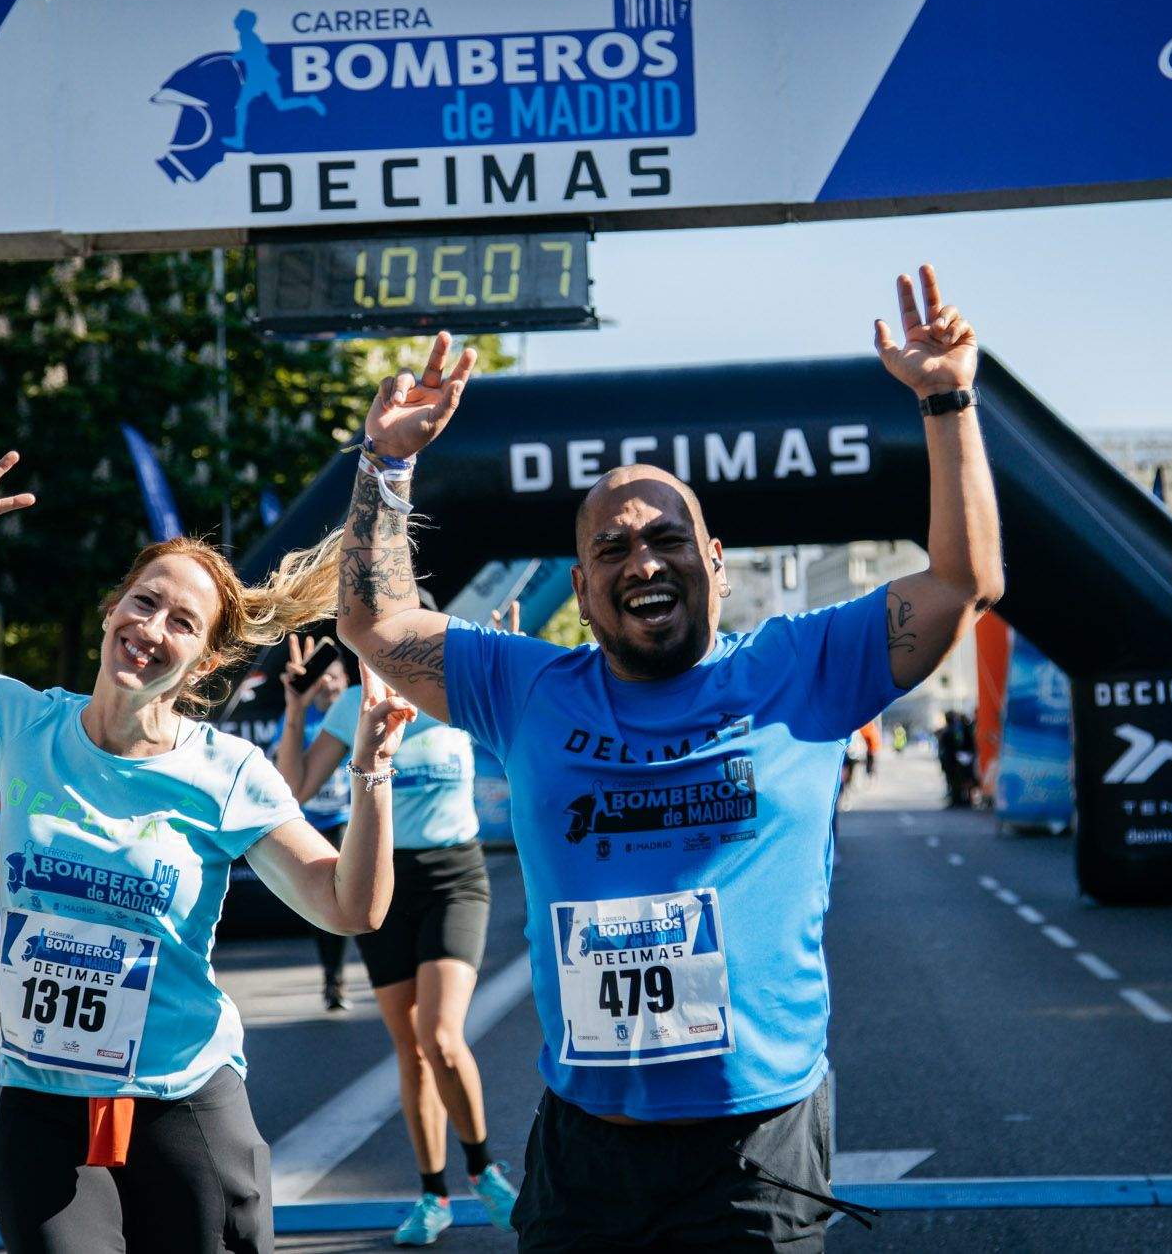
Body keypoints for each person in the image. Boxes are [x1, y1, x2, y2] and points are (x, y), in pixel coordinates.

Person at [331, 263, 1003, 1251]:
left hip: (752, 1153)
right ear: (582, 585)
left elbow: (960, 581)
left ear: (715, 563)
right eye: (612, 549)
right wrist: (384, 465)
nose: (642, 559)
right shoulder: (527, 689)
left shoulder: (801, 667)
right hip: (584, 1153)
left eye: (666, 538)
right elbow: (374, 621)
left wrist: (946, 399)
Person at [0, 452, 405, 1254]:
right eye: (145, 601)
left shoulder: (225, 772)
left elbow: (350, 905)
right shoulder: (21, 724)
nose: (152, 628)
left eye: (181, 622)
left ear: (201, 663)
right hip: (43, 1104)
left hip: (182, 1100)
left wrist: (372, 766)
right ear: (111, 609)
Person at [273, 628, 519, 1245]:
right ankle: (433, 1193)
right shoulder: (350, 708)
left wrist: (512, 668)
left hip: (455, 877)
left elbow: (528, 740)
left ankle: (484, 1169)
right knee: (409, 1048)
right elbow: (292, 791)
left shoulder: (461, 699)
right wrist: (297, 707)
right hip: (383, 884)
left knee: (440, 1034)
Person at [274, 639, 355, 1010]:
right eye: (323, 680)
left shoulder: (357, 714)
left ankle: (341, 978)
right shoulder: (297, 720)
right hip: (310, 826)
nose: (330, 686)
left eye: (336, 678)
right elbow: (282, 771)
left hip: (345, 823)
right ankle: (332, 977)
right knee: (326, 908)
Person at [221, 9, 326, 150]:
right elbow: (260, 51)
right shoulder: (246, 35)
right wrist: (241, 55)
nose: (235, 21)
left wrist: (240, 55)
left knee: (243, 106)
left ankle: (239, 139)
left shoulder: (247, 36)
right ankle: (309, 101)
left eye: (238, 19)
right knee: (278, 104)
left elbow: (260, 51)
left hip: (261, 77)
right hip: (261, 76)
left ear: (244, 23)